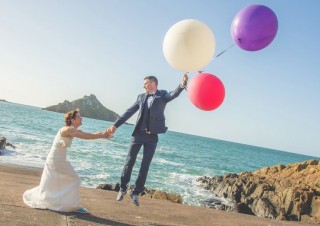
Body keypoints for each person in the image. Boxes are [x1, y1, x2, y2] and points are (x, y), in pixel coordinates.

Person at [107, 74, 188, 206]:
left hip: (152, 137)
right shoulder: (141, 97)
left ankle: (136, 192)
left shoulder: (162, 95)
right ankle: (122, 188)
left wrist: (182, 85)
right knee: (129, 162)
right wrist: (115, 125)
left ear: (152, 84)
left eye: (146, 83)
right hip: (137, 135)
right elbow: (128, 112)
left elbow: (173, 94)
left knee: (145, 167)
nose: (144, 86)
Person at [23, 110, 112, 214]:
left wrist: (104, 134)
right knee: (74, 179)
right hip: (55, 160)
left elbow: (86, 134)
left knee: (55, 182)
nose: (81, 118)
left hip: (59, 159)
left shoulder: (71, 129)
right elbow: (86, 136)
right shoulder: (68, 129)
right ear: (72, 120)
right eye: (79, 117)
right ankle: (72, 206)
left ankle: (58, 203)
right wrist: (102, 135)